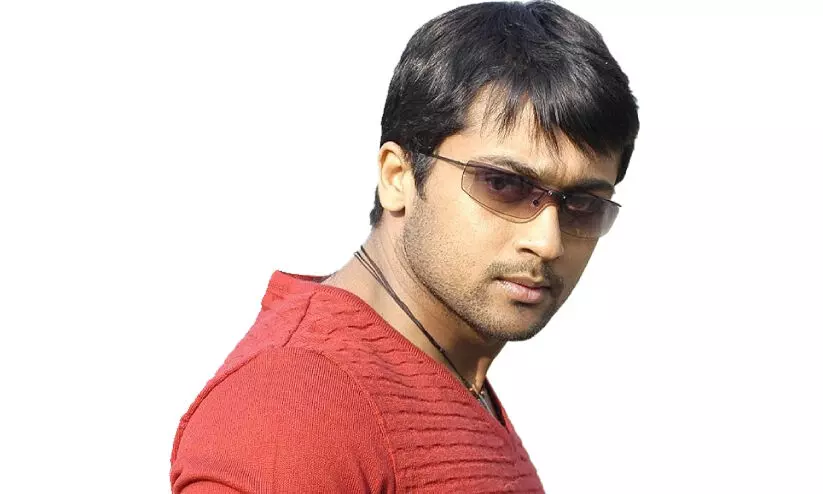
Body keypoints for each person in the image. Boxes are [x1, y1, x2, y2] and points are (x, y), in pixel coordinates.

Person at [170, 1, 639, 492]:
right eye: (504, 185)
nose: (547, 241)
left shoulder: (449, 370)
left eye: (582, 204)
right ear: (398, 177)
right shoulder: (297, 404)